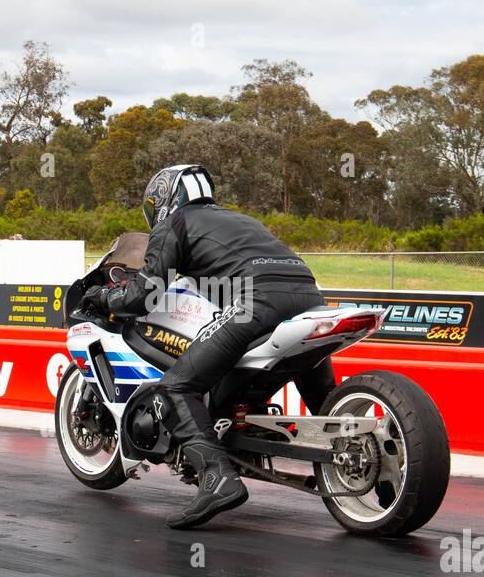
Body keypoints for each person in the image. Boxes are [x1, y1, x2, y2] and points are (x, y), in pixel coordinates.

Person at [81, 164, 336, 529]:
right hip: (309, 298)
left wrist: (104, 296)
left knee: (176, 386)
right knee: (324, 395)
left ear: (164, 200)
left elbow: (142, 296)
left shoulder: (175, 224)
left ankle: (217, 478)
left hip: (257, 301)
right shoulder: (240, 219)